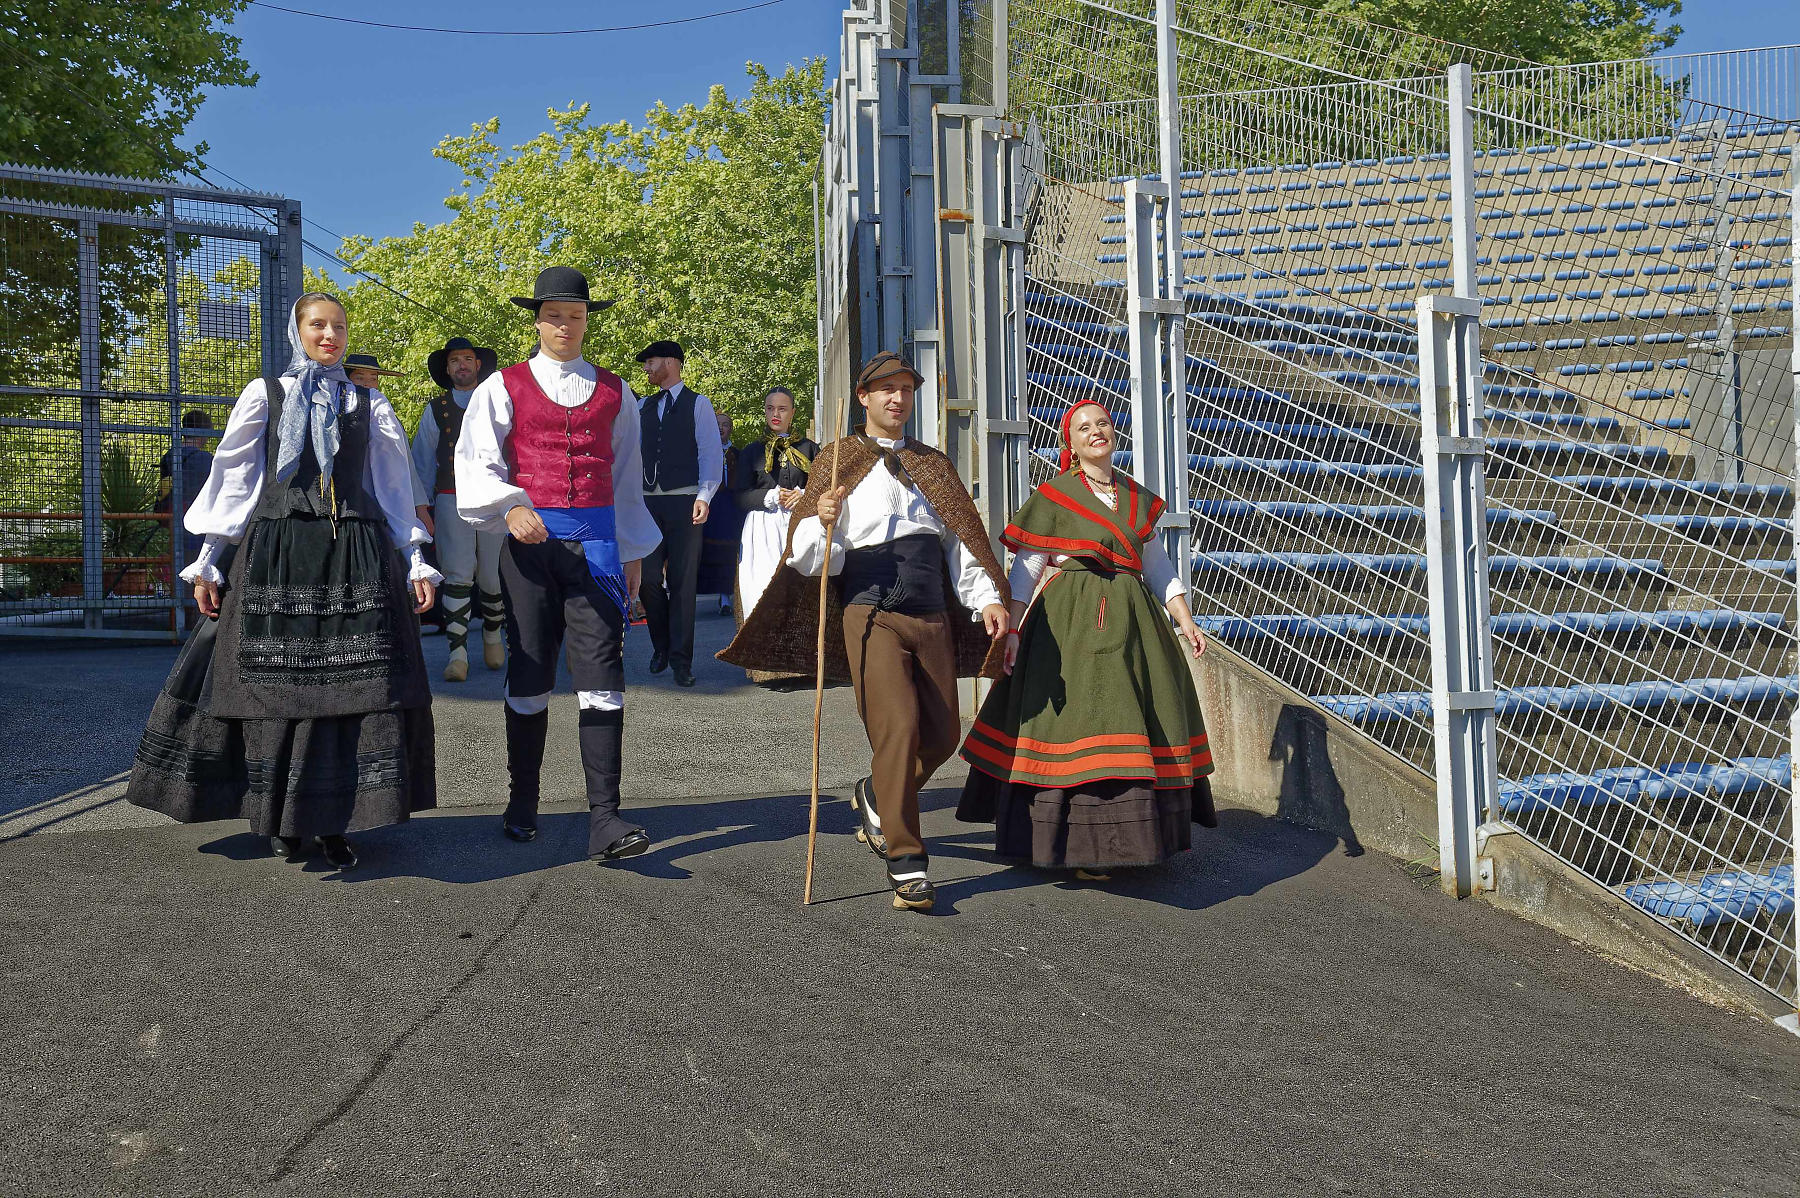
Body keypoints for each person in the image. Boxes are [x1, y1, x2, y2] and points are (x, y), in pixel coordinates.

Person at [124, 293, 440, 871]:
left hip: (357, 559)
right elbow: (235, 480)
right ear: (298, 332)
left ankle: (337, 821)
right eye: (318, 326)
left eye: (339, 327)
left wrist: (416, 557)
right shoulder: (267, 394)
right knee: (273, 688)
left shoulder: (369, 402)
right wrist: (211, 559)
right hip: (277, 554)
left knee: (354, 690)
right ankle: (278, 820)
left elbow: (393, 487)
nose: (330, 336)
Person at [721, 351, 1010, 911]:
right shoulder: (837, 462)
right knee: (897, 728)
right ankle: (907, 862)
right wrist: (821, 520)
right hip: (870, 612)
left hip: (931, 615)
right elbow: (807, 561)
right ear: (864, 398)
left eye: (905, 389)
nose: (897, 399)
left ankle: (877, 794)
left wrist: (989, 599)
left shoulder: (934, 464)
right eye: (885, 390)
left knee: (944, 734)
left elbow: (962, 546)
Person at [957, 400, 1217, 880]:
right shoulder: (1054, 496)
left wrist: (1185, 620)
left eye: (1103, 423)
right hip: (1070, 625)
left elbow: (1157, 569)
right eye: (1084, 427)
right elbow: (1027, 570)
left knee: (1135, 717)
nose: (1096, 431)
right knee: (1078, 723)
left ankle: (1133, 839)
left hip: (1135, 623)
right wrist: (1012, 630)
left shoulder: (1137, 498)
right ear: (1070, 444)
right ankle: (1080, 844)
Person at [454, 266, 662, 861]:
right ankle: (523, 799)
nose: (564, 325)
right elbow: (475, 463)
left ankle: (606, 817)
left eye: (575, 315)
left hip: (596, 552)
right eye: (554, 315)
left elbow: (625, 479)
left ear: (586, 320)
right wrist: (511, 505)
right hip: (530, 549)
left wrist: (631, 553)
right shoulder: (502, 386)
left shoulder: (617, 391)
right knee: (530, 673)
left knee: (602, 680)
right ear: (538, 320)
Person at [412, 336, 506, 682]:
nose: (462, 365)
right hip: (451, 497)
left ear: (478, 365)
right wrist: (422, 507)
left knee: (493, 575)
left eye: (467, 358)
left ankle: (494, 637)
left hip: (496, 497)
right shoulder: (435, 409)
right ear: (447, 369)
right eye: (455, 361)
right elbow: (422, 460)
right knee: (458, 574)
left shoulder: (499, 401)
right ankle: (458, 655)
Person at [635, 340, 725, 688]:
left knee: (684, 584)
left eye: (651, 361)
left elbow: (710, 453)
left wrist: (704, 495)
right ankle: (661, 645)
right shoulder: (643, 405)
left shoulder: (698, 404)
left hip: (685, 502)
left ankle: (681, 661)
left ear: (671, 363)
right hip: (646, 504)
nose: (646, 369)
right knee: (647, 579)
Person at [732, 385, 817, 688]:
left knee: (799, 590)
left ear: (793, 412)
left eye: (782, 408)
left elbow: (823, 489)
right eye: (770, 408)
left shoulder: (810, 449)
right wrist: (769, 497)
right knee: (764, 590)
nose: (775, 414)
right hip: (762, 529)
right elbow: (739, 496)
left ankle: (800, 666)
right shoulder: (751, 452)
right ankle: (768, 667)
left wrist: (804, 495)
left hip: (800, 525)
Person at [156, 409, 217, 626]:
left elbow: (163, 490)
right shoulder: (208, 460)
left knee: (178, 566)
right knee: (201, 566)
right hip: (201, 523)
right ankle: (199, 619)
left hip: (175, 521)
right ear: (205, 433)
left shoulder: (169, 456)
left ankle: (178, 617)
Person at [696, 407, 744, 616]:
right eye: (717, 424)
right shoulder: (704, 452)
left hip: (733, 509)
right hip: (713, 508)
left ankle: (731, 595)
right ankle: (720, 595)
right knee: (712, 552)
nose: (721, 428)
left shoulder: (739, 454)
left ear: (731, 429)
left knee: (731, 552)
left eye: (725, 424)